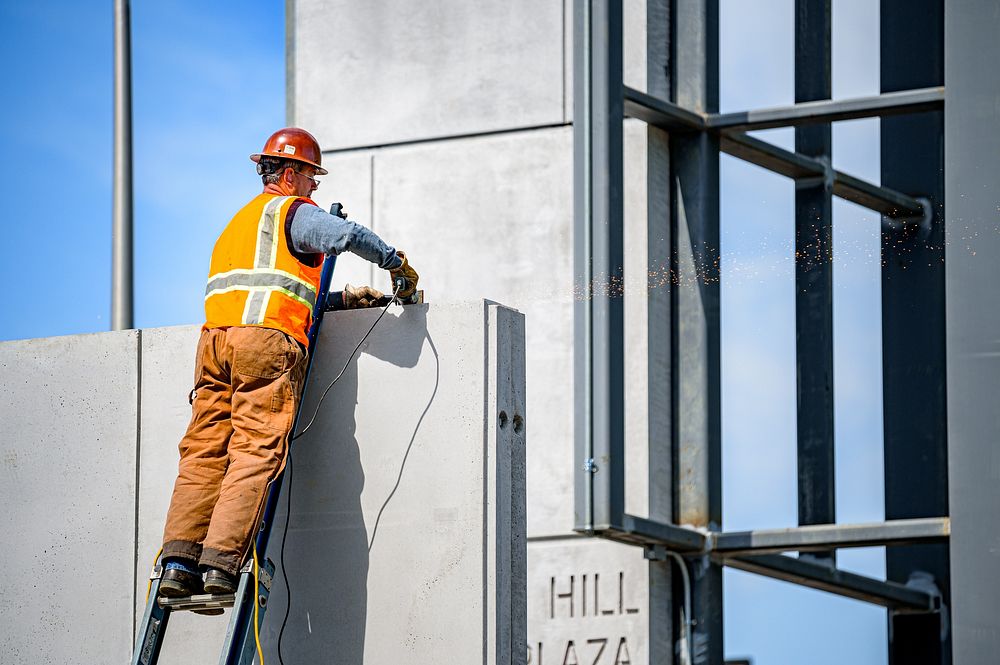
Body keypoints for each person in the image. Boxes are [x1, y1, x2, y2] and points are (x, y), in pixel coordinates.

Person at [157, 127, 418, 600]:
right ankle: (219, 566)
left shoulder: (240, 222)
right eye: (311, 176)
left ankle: (178, 562)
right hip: (264, 346)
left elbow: (268, 286)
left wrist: (338, 299)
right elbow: (347, 236)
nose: (314, 186)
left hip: (215, 347)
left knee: (204, 452)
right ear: (292, 172)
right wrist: (396, 263)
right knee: (255, 451)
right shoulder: (292, 212)